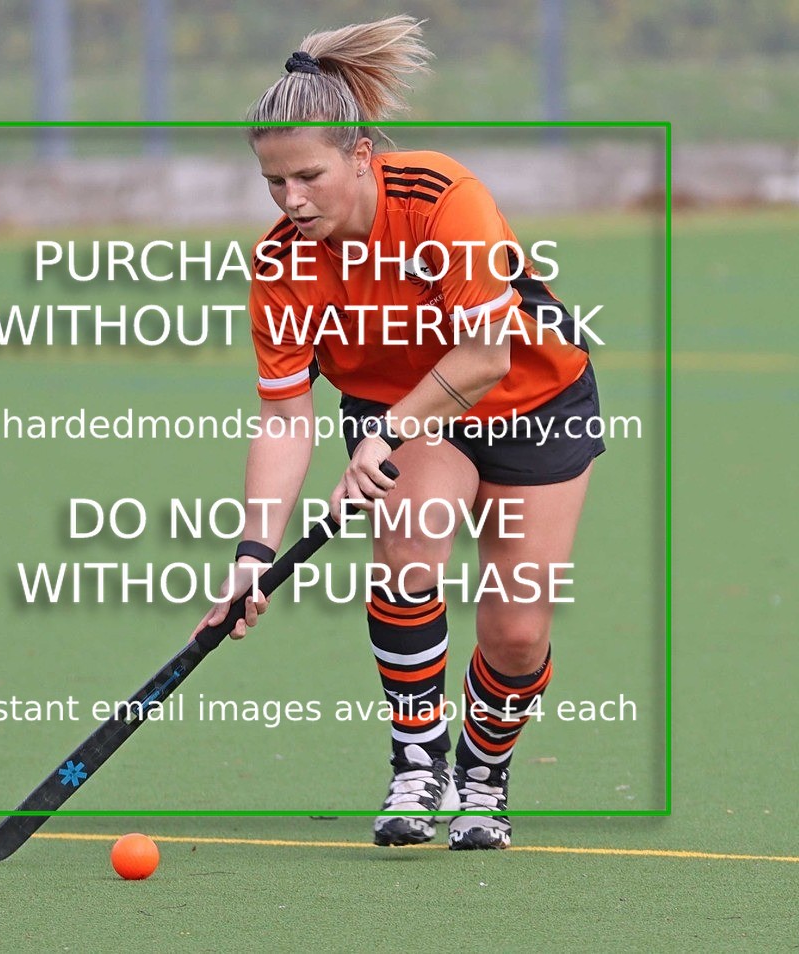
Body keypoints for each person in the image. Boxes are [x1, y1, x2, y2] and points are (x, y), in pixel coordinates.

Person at [194, 14, 604, 849]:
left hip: (534, 398)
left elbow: (486, 354)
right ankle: (417, 763)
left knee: (518, 632)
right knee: (411, 551)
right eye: (273, 182)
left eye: (307, 175)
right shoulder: (282, 265)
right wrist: (251, 556)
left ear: (359, 153)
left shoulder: (444, 198)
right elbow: (284, 413)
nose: (291, 200)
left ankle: (482, 777)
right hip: (415, 423)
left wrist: (380, 436)